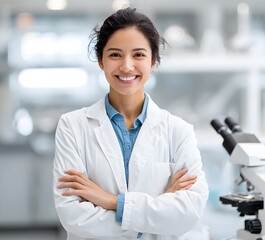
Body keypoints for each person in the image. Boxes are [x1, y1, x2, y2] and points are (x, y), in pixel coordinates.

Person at [53, 7, 209, 240]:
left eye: (138, 55)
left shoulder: (179, 131)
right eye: (115, 55)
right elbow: (73, 216)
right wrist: (155, 215)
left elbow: (188, 212)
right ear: (100, 60)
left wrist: (112, 202)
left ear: (153, 61)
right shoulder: (73, 126)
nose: (127, 66)